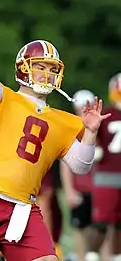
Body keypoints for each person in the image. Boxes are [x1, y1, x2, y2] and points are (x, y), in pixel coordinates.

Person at [0, 22, 110, 261]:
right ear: (23, 69)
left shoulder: (63, 121)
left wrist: (90, 132)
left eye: (51, 68)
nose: (47, 73)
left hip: (23, 208)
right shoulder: (4, 100)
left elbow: (81, 165)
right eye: (40, 66)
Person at [61, 90, 112, 261]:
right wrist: (69, 190)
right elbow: (65, 164)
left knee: (102, 229)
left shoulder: (101, 128)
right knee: (81, 230)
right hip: (82, 188)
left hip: (100, 187)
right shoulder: (72, 128)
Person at [85, 73, 121, 261]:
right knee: (101, 222)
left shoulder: (107, 115)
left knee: (115, 223)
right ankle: (92, 255)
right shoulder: (105, 115)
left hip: (108, 177)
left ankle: (114, 256)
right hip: (107, 177)